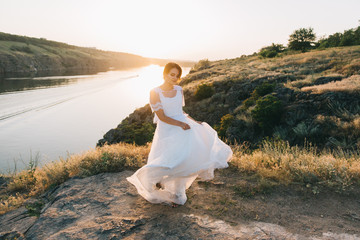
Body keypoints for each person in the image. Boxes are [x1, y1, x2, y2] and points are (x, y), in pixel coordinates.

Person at [127, 62, 233, 207]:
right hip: (167, 129)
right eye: (172, 74)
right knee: (169, 160)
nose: (175, 78)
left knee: (183, 158)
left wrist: (194, 122)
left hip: (182, 125)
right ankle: (148, 179)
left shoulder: (179, 89)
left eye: (177, 76)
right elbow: (162, 117)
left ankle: (177, 193)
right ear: (164, 74)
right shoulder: (155, 92)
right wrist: (181, 124)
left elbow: (181, 112)